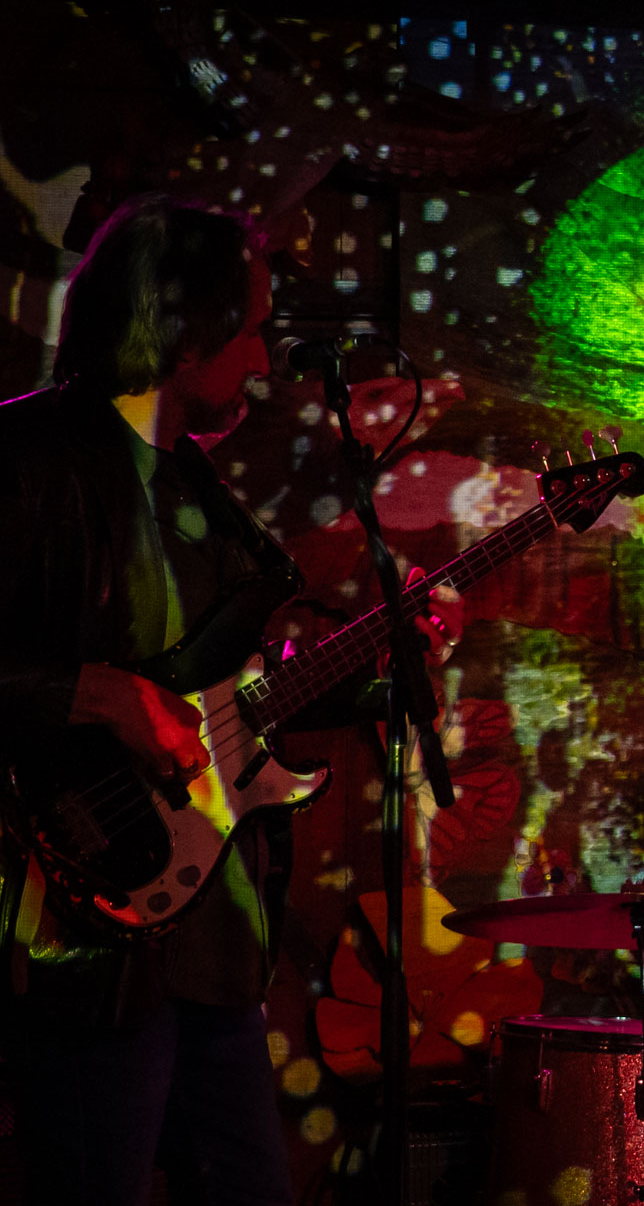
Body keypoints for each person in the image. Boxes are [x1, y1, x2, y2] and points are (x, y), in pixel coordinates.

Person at [0, 195, 462, 1206]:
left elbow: (230, 710)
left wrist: (381, 674)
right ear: (182, 331)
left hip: (208, 944)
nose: (263, 354)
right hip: (81, 939)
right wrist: (97, 693)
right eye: (249, 325)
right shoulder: (26, 463)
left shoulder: (204, 499)